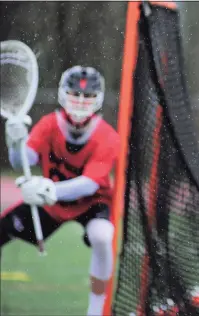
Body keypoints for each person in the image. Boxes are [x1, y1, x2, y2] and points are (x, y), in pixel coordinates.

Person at [0, 66, 119, 316]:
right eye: (76, 94)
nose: (81, 101)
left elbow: (90, 183)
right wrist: (14, 141)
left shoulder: (107, 136)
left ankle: (96, 311)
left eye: (88, 96)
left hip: (91, 203)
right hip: (53, 205)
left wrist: (50, 188)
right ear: (64, 95)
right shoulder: (48, 124)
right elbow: (23, 161)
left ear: (97, 99)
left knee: (102, 236)